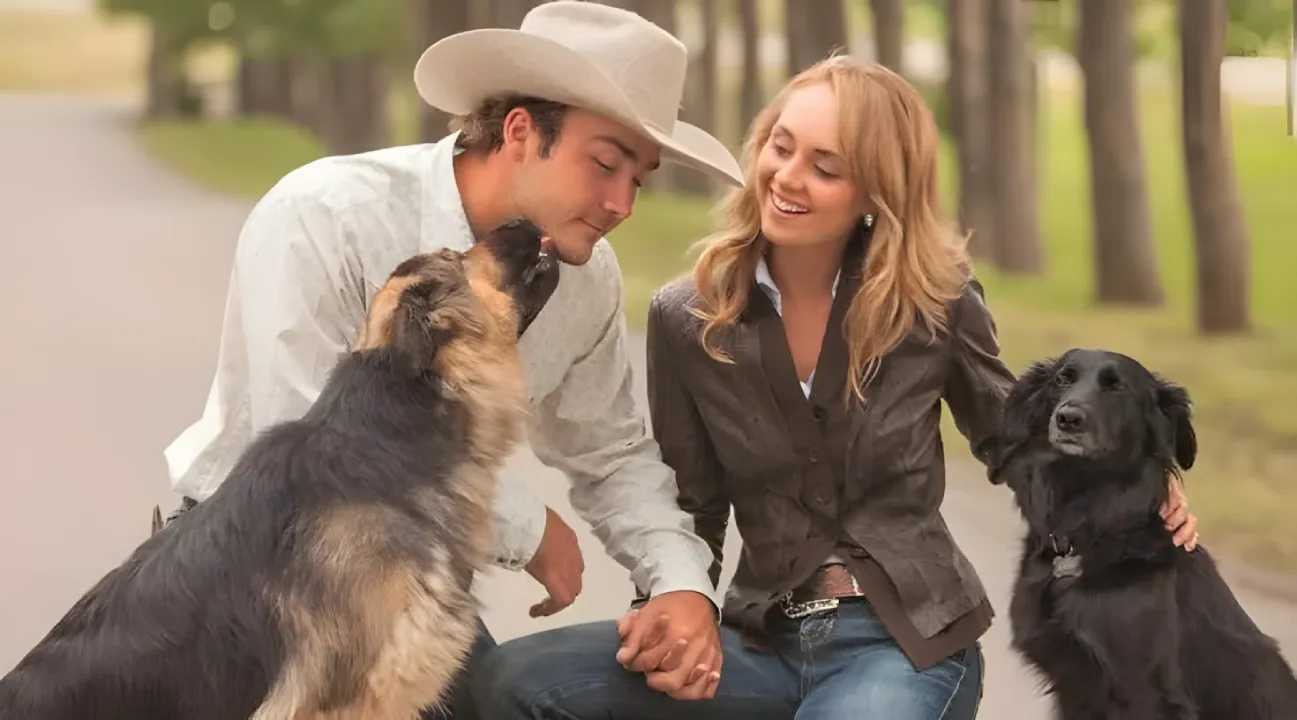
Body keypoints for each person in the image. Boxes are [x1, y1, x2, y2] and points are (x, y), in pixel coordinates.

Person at [472, 54, 1202, 719]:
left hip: (901, 647)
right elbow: (692, 502)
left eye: (826, 167)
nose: (786, 177)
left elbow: (1014, 440)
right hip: (756, 640)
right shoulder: (686, 316)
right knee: (512, 679)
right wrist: (667, 608)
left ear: (874, 192)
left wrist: (1138, 492)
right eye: (780, 147)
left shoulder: (934, 302)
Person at [158, 3, 744, 718]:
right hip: (246, 582)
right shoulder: (326, 215)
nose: (621, 203)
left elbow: (611, 451)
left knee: (518, 699)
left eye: (639, 178)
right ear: (522, 132)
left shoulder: (587, 277)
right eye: (603, 165)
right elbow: (311, 454)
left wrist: (680, 582)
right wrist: (531, 531)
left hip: (411, 585)